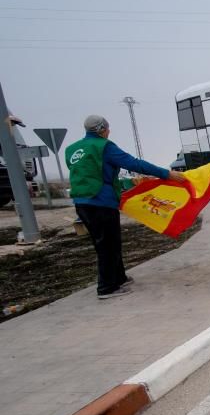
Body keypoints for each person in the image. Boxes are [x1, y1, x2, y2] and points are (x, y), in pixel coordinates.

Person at [65, 115, 186, 299]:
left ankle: (118, 278)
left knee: (107, 242)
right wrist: (166, 174)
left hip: (82, 203)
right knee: (108, 244)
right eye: (107, 128)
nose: (109, 131)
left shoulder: (72, 149)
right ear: (102, 129)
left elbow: (87, 173)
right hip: (101, 202)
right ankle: (106, 288)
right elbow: (134, 163)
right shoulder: (104, 146)